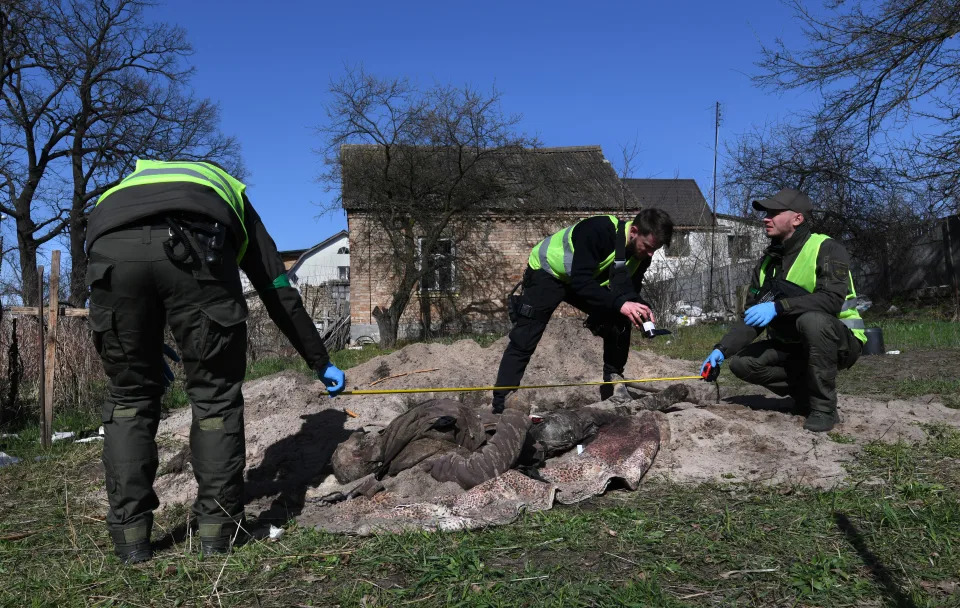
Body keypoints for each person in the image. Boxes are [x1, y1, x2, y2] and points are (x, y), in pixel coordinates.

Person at [85, 159, 347, 563]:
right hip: (198, 246)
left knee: (128, 401)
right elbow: (276, 285)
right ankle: (216, 531)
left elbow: (119, 261)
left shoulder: (122, 188)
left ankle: (130, 538)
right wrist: (319, 360)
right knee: (214, 400)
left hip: (110, 252)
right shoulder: (226, 189)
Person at [700, 188, 866, 433]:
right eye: (766, 213)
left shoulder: (826, 248)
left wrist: (779, 306)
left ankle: (824, 408)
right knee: (743, 364)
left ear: (797, 219)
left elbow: (831, 301)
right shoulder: (767, 263)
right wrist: (721, 349)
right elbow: (752, 318)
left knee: (813, 322)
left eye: (774, 213)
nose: (766, 218)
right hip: (796, 345)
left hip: (839, 341)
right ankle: (806, 397)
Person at [492, 209, 674, 413]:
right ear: (634, 231)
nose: (650, 254)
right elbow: (581, 281)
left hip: (582, 279)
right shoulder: (598, 231)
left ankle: (614, 385)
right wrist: (621, 303)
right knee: (526, 333)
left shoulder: (642, 254)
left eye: (655, 249)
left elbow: (629, 290)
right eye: (648, 247)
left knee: (621, 315)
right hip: (549, 272)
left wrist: (640, 307)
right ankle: (502, 402)